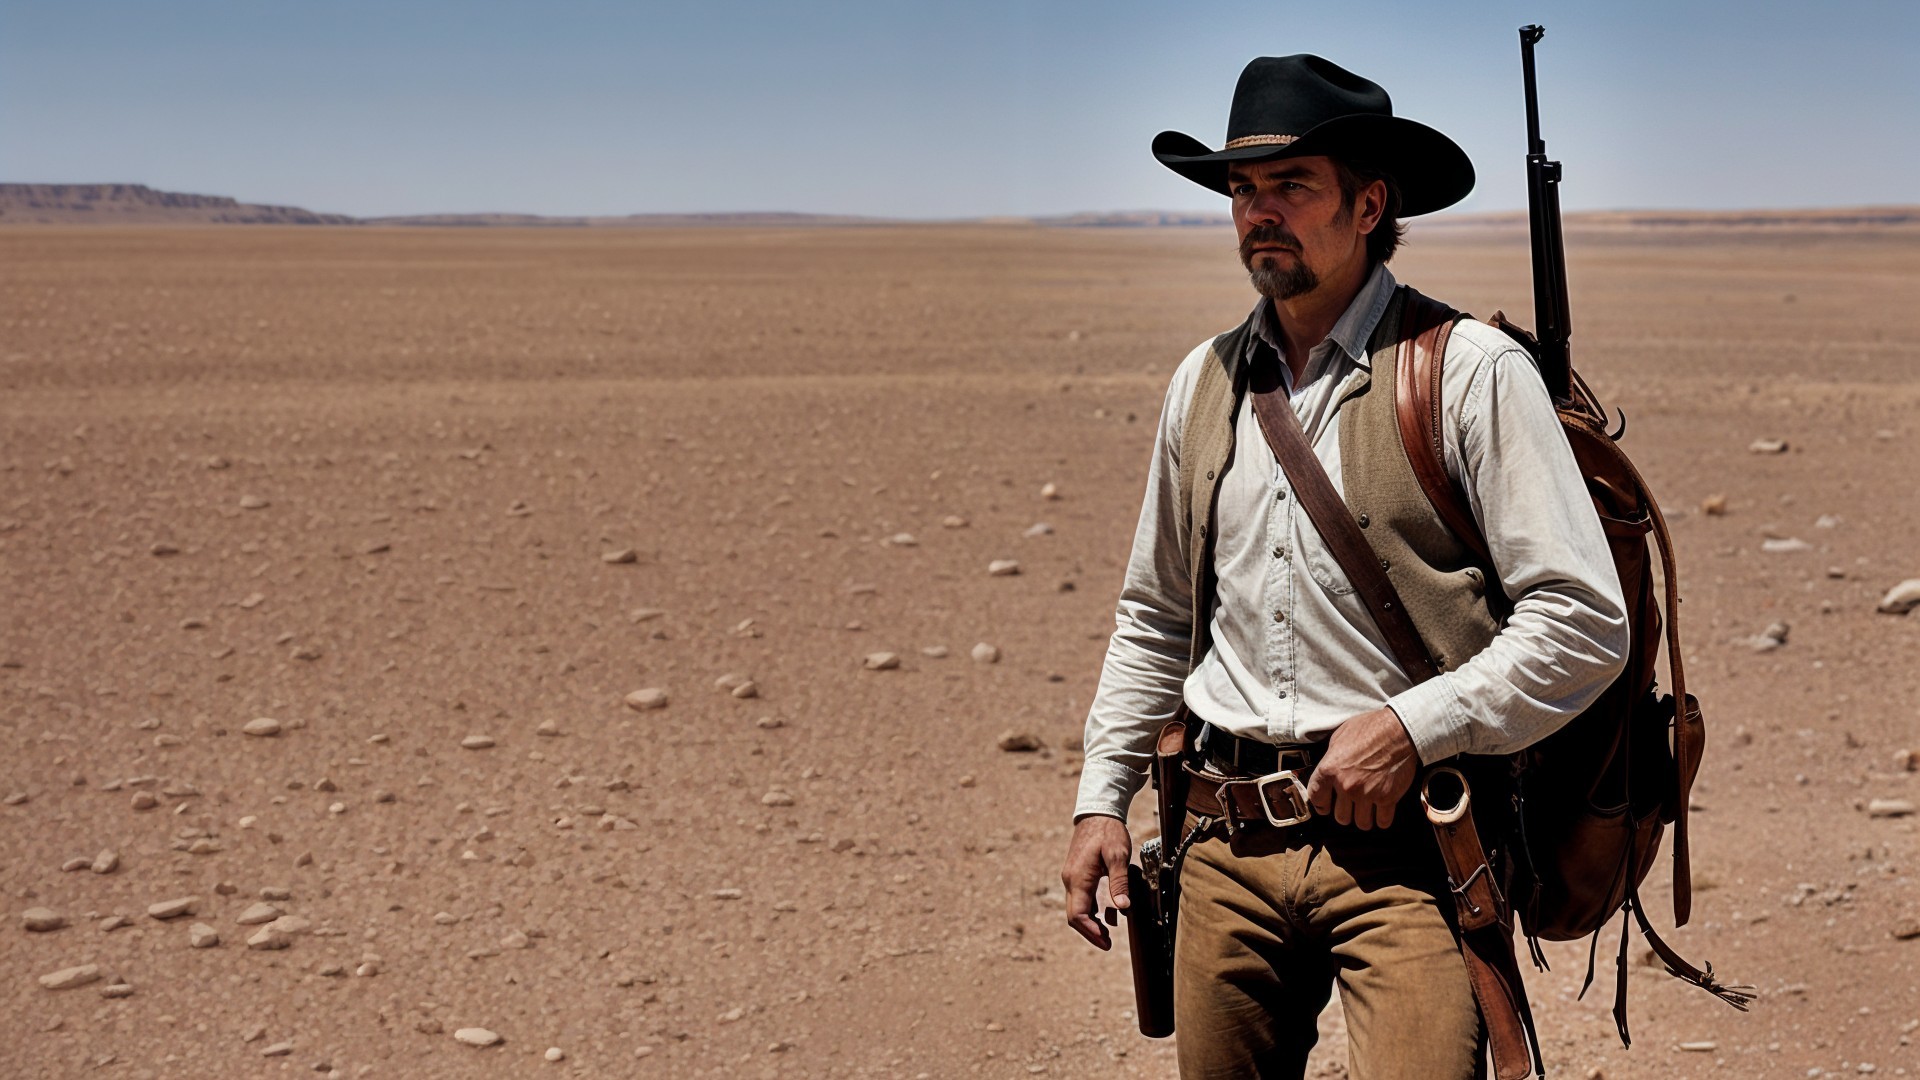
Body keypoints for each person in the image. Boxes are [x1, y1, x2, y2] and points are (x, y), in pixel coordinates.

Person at [1058, 54, 1630, 1079]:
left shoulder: (1466, 373)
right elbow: (1154, 616)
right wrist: (1103, 797)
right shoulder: (1204, 385)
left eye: (1292, 186)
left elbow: (1584, 622)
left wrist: (1411, 728)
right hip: (1221, 845)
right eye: (1243, 190)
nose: (1259, 213)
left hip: (1411, 851)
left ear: (1370, 205)